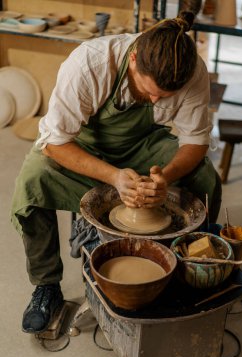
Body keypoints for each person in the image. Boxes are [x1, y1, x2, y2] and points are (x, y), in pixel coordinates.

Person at [11, 11, 222, 334]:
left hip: (141, 145)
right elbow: (54, 142)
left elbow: (195, 141)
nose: (154, 100)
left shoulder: (192, 72)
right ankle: (46, 286)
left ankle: (186, 269)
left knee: (205, 178)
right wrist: (114, 177)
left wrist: (165, 176)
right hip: (85, 146)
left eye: (163, 98)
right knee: (34, 178)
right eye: (149, 90)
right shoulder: (90, 63)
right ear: (134, 58)